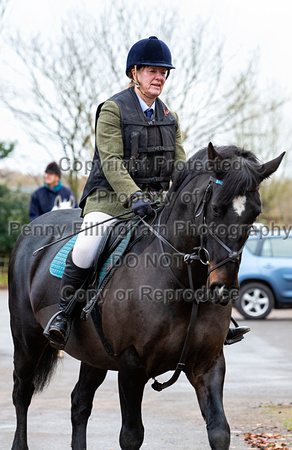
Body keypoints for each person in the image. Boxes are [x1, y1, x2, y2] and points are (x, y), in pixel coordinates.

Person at [45, 36, 249, 347]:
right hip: (110, 199)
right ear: (135, 73)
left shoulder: (169, 117)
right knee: (88, 245)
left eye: (164, 73)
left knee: (195, 241)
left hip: (155, 202)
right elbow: (111, 161)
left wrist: (198, 188)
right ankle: (64, 312)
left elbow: (180, 166)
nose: (159, 78)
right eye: (153, 71)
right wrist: (133, 196)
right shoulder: (113, 109)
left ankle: (217, 318)